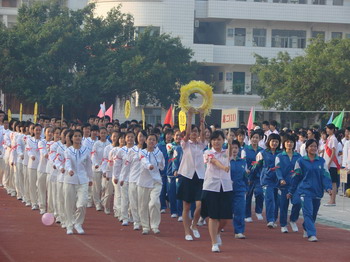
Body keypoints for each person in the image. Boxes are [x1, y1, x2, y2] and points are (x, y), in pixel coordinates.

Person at [288, 139, 332, 242]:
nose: (313, 148)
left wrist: (328, 187)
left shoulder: (321, 161)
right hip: (304, 190)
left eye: (315, 146)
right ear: (307, 148)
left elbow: (325, 175)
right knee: (308, 212)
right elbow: (296, 177)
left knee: (313, 213)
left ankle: (306, 226)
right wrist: (291, 191)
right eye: (311, 146)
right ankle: (312, 234)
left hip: (317, 191)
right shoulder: (301, 161)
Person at [177, 108, 206, 241]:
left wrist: (201, 117)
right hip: (187, 176)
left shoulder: (201, 144)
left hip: (199, 176)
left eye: (196, 132)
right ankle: (187, 232)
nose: (194, 133)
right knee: (186, 206)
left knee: (200, 205)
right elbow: (187, 133)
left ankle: (194, 225)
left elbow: (204, 134)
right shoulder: (185, 144)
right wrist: (189, 117)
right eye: (193, 132)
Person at [201, 130, 232, 252]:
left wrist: (230, 143)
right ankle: (214, 243)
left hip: (226, 186)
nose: (216, 142)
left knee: (225, 218)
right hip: (211, 186)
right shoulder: (207, 152)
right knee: (213, 216)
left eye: (219, 139)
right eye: (214, 140)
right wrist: (223, 167)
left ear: (223, 140)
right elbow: (214, 161)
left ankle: (217, 232)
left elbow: (230, 155)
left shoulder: (226, 152)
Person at [64, 129, 93, 235]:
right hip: (70, 179)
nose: (77, 138)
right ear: (72, 138)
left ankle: (78, 223)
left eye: (79, 136)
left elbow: (89, 166)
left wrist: (90, 178)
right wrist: (69, 170)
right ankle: (69, 225)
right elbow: (67, 162)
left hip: (83, 179)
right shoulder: (68, 150)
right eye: (75, 136)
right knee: (69, 203)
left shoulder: (86, 150)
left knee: (82, 203)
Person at [138, 133, 165, 235]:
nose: (151, 142)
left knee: (154, 203)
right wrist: (149, 166)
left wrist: (159, 166)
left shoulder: (159, 153)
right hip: (144, 182)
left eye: (154, 140)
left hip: (156, 181)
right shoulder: (142, 152)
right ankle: (145, 226)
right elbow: (144, 161)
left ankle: (155, 225)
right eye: (150, 139)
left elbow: (162, 166)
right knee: (143, 205)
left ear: (156, 142)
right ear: (146, 141)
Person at [253, 133, 282, 228]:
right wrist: (263, 173)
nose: (274, 143)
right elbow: (257, 166)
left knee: (276, 200)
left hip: (278, 180)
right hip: (267, 180)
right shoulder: (262, 153)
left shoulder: (281, 154)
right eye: (273, 141)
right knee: (269, 199)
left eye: (276, 141)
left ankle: (274, 218)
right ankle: (270, 220)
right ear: (269, 142)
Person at [275, 134, 301, 233]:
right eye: (287, 142)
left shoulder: (298, 156)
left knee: (297, 203)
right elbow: (277, 169)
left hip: (295, 185)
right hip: (284, 185)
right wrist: (281, 179)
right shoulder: (280, 156)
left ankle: (293, 220)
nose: (289, 144)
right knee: (283, 205)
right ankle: (283, 224)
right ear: (284, 143)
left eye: (291, 142)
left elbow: (300, 170)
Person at [243, 131, 264, 222]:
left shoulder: (262, 150)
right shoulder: (245, 149)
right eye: (253, 137)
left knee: (259, 193)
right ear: (250, 138)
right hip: (248, 176)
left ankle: (258, 211)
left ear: (259, 139)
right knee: (248, 195)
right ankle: (247, 215)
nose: (255, 139)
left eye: (257, 137)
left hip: (259, 176)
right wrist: (245, 170)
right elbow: (243, 161)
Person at [230, 140, 248, 239]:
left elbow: (245, 176)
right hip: (226, 189)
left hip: (240, 189)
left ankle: (239, 231)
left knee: (240, 210)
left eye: (236, 148)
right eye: (232, 147)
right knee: (225, 210)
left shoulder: (243, 162)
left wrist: (246, 188)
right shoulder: (226, 161)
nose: (234, 150)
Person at [91, 127, 110, 211]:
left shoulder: (109, 144)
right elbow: (93, 155)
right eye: (101, 133)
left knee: (104, 186)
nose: (103, 134)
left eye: (104, 133)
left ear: (107, 134)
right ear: (99, 134)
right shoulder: (96, 144)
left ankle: (103, 200)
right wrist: (95, 164)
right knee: (96, 187)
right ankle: (97, 203)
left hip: (105, 168)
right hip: (97, 167)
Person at [26, 124, 43, 210]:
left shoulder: (43, 141)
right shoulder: (29, 140)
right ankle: (34, 202)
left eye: (40, 130)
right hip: (32, 164)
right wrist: (32, 155)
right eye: (36, 130)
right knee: (32, 184)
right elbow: (28, 150)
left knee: (40, 185)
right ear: (33, 131)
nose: (38, 132)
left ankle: (40, 202)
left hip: (41, 165)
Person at [324, 124, 339, 206]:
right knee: (329, 182)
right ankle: (331, 199)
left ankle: (333, 200)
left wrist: (329, 163)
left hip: (332, 164)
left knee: (333, 182)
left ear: (332, 129)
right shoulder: (328, 138)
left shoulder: (333, 139)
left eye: (328, 129)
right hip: (327, 163)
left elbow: (333, 152)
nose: (327, 130)